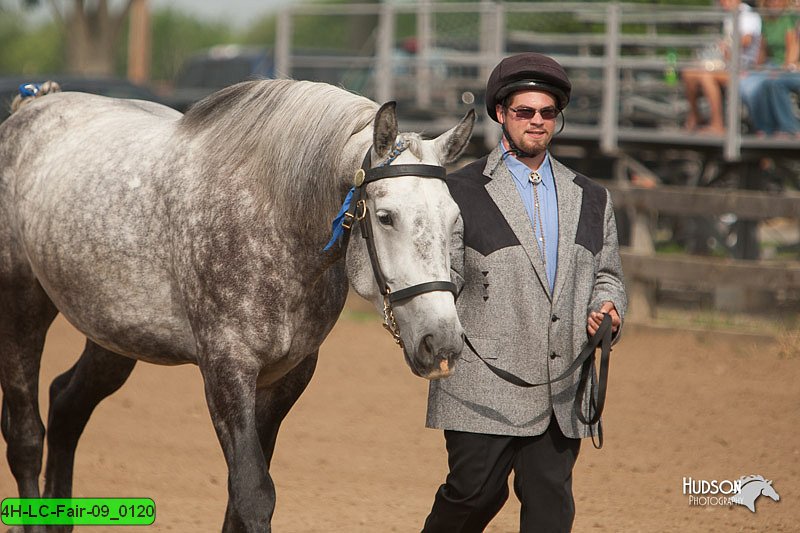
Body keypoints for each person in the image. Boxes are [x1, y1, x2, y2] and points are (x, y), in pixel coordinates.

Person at [421, 52, 627, 533]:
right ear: (500, 114)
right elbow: (443, 276)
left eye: (547, 112)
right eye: (524, 112)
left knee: (551, 508)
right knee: (473, 495)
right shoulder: (458, 191)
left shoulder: (592, 197)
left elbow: (607, 274)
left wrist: (606, 310)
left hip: (563, 387)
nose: (537, 121)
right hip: (481, 385)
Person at [682, 0, 762, 133]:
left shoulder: (748, 14)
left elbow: (746, 40)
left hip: (744, 67)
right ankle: (695, 116)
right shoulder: (729, 16)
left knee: (706, 77)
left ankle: (717, 124)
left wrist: (726, 46)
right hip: (727, 64)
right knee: (689, 73)